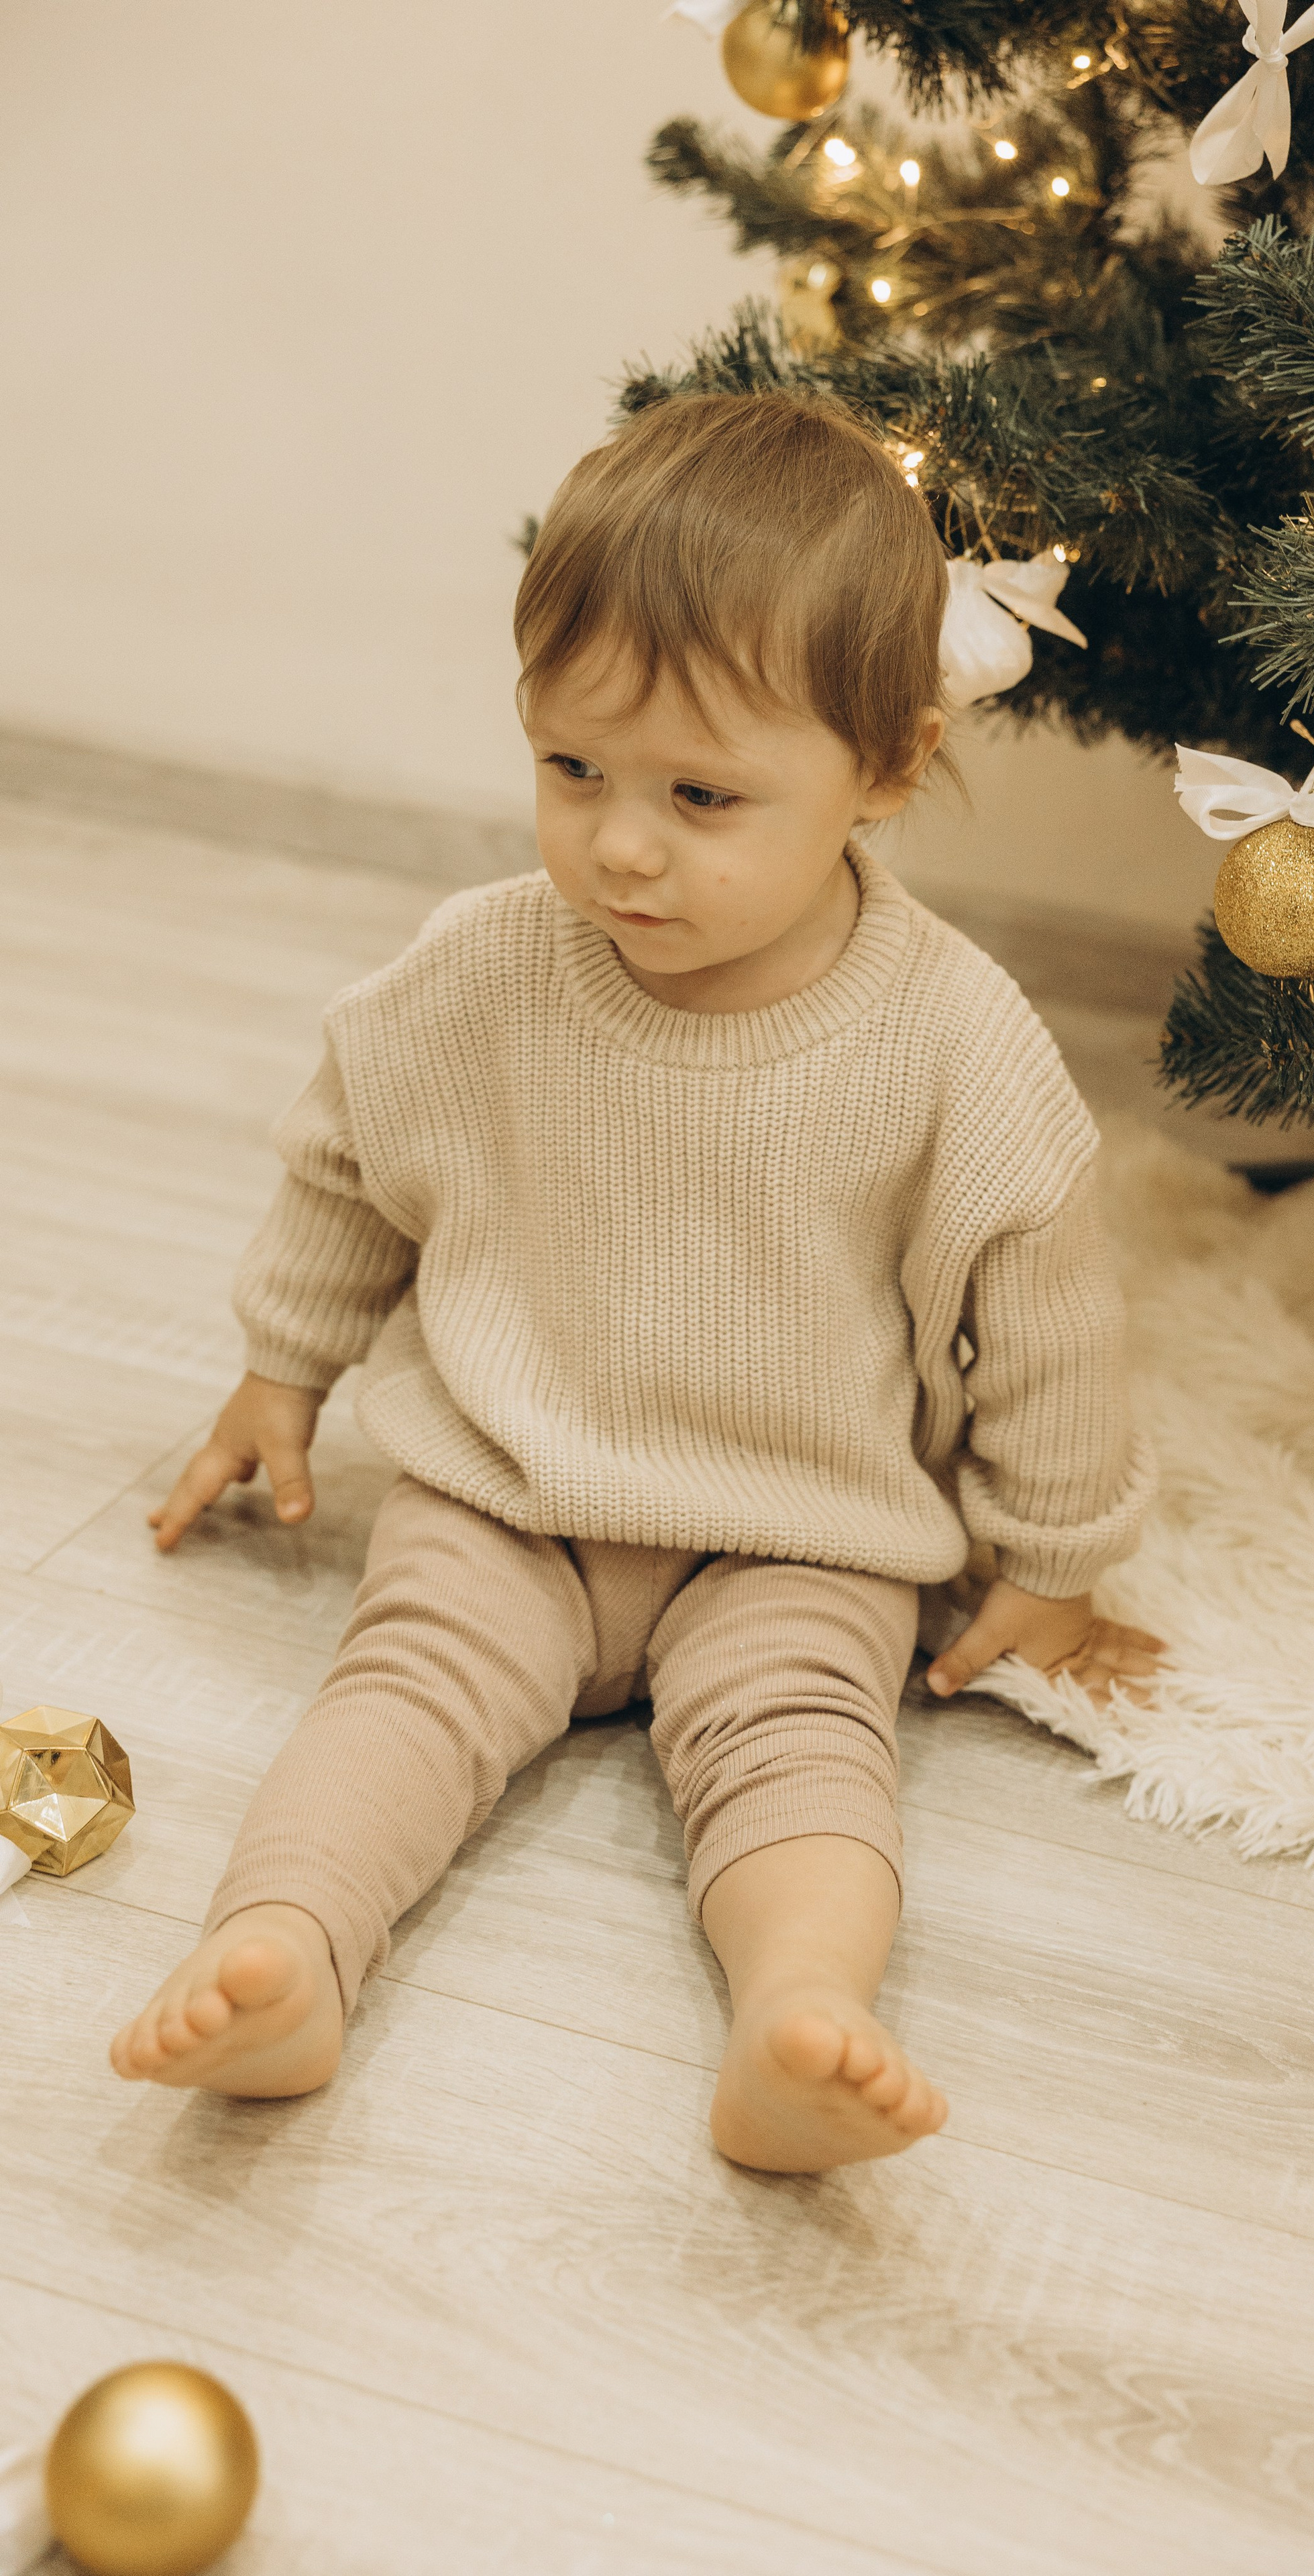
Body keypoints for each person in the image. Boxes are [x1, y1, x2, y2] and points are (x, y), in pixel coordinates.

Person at [108, 392, 1160, 2173]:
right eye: (572, 770)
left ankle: (800, 2015)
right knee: (400, 1694)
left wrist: (1054, 1562)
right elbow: (350, 1159)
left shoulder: (953, 1040)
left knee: (805, 1748)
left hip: (798, 1527)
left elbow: (1045, 1318)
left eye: (701, 796)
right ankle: (281, 1949)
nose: (619, 846)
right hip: (504, 1486)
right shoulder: (482, 968)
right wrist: (282, 1369)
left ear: (887, 770)